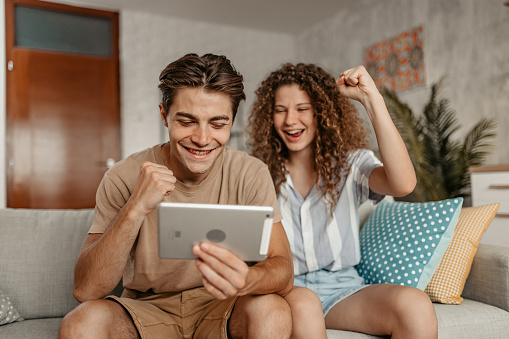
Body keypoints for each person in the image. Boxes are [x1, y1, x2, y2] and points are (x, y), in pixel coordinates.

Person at [59, 53, 294, 339]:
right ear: (164, 115)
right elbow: (86, 290)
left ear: (232, 121)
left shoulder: (250, 173)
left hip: (223, 306)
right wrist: (135, 208)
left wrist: (248, 280)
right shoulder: (123, 175)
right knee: (80, 324)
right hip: (146, 309)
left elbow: (283, 270)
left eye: (218, 124)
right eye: (187, 121)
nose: (203, 139)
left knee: (272, 310)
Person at [248, 63, 438, 339]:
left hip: (343, 289)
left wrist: (372, 99)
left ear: (321, 112)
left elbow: (403, 184)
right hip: (287, 290)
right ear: (269, 117)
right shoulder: (256, 174)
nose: (290, 120)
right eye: (280, 110)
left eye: (302, 109)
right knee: (305, 305)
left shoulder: (351, 165)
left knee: (416, 306)